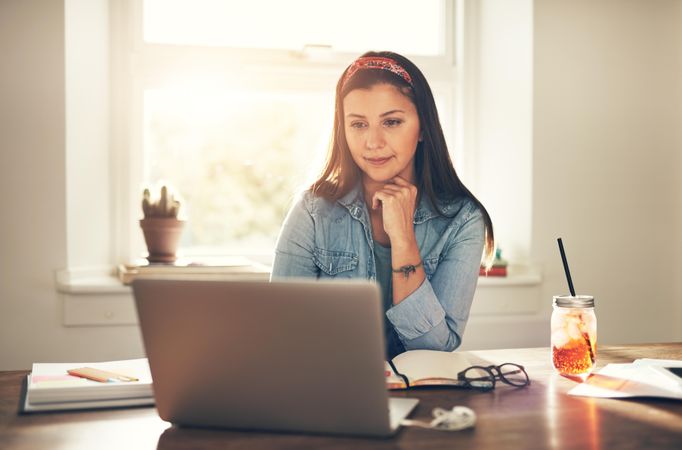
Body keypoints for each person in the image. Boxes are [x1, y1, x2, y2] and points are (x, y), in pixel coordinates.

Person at [271, 51, 494, 359]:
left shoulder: (462, 220)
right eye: (359, 124)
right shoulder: (312, 211)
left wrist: (403, 238)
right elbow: (280, 333)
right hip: (328, 393)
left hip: (424, 400)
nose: (373, 142)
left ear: (423, 129)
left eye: (391, 122)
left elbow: (436, 349)